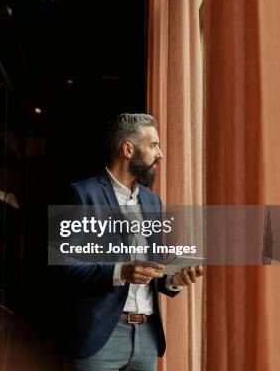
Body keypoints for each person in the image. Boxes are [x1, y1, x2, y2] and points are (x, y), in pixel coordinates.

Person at [56, 113, 203, 371]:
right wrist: (121, 271)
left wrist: (172, 279)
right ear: (128, 149)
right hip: (100, 339)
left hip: (147, 338)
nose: (160, 154)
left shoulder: (152, 202)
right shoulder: (80, 195)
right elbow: (63, 266)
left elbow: (152, 266)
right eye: (153, 145)